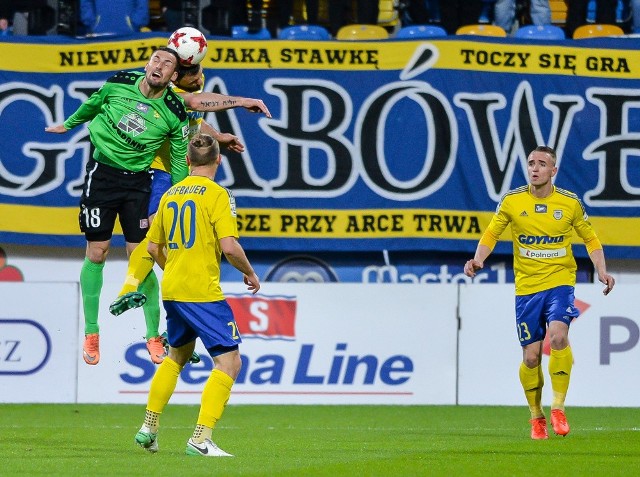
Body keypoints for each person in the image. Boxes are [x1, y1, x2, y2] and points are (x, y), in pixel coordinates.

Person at [45, 47, 269, 367]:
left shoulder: (175, 111)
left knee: (149, 251)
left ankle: (154, 335)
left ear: (173, 76)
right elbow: (94, 104)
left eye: (168, 64)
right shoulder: (121, 82)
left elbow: (184, 145)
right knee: (98, 251)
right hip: (103, 175)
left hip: (140, 180)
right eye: (156, 60)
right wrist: (67, 125)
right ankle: (92, 332)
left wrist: (179, 195)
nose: (160, 66)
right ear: (148, 64)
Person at [109, 60, 269, 365]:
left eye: (199, 72)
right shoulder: (166, 92)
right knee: (157, 228)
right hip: (160, 170)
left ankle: (171, 327)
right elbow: (193, 103)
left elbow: (193, 120)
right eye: (192, 74)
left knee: (173, 241)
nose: (199, 79)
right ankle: (128, 287)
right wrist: (242, 101)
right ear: (176, 76)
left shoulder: (192, 85)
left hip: (180, 173)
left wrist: (219, 136)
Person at [463, 145, 615, 440]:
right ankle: (536, 416)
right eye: (531, 163)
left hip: (560, 282)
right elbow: (492, 232)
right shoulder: (512, 201)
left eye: (541, 164)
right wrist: (479, 258)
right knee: (531, 358)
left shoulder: (569, 203)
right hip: (527, 289)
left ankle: (558, 407)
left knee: (558, 336)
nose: (534, 168)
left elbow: (591, 238)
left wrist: (601, 270)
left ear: (553, 171)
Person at [134, 133, 260, 457]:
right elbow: (229, 246)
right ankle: (200, 439)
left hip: (173, 289)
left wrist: (173, 268)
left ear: (187, 161)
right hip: (202, 292)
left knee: (176, 356)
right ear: (218, 160)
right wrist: (249, 271)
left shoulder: (170, 195)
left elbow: (151, 247)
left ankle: (149, 427)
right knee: (229, 362)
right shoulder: (218, 194)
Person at [80, 0, 149, 35]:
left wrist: (135, 23)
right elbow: (85, 3)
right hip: (99, 35)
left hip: (130, 35)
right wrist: (91, 22)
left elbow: (142, 5)